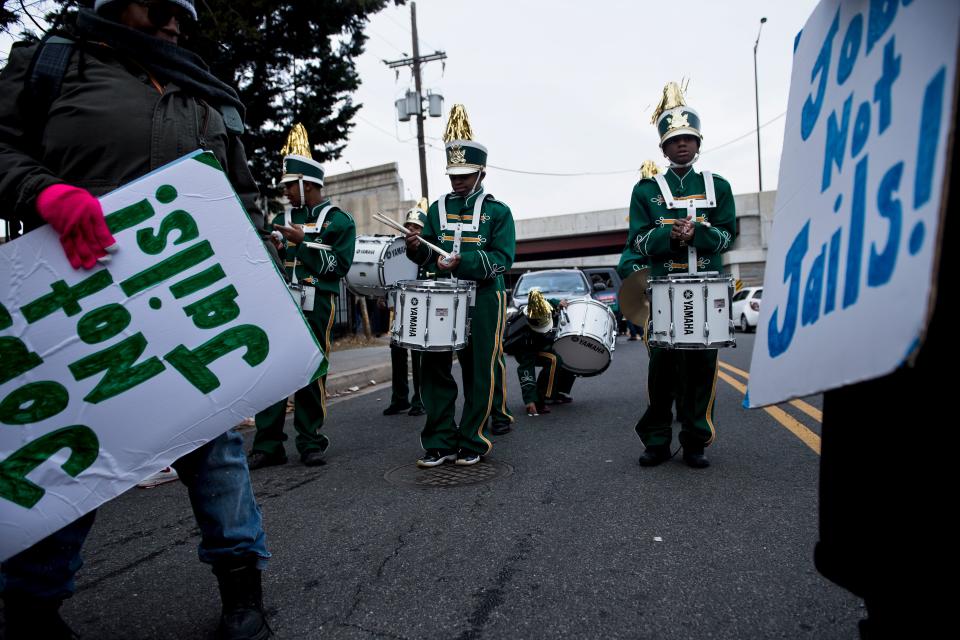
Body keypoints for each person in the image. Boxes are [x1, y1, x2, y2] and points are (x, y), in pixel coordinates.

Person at [0, 2, 272, 638]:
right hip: (79, 312)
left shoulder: (200, 87)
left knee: (217, 453)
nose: (176, 17)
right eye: (158, 4)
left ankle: (243, 589)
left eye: (185, 7)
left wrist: (256, 270)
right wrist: (44, 192)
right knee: (77, 454)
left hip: (187, 311)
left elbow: (243, 194)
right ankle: (32, 609)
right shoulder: (53, 63)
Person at [620, 82, 736, 469]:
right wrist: (669, 235)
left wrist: (698, 233)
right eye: (674, 140)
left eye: (688, 138)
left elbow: (726, 235)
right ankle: (656, 438)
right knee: (663, 368)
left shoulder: (718, 186)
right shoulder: (646, 189)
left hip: (705, 287)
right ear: (663, 148)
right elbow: (637, 240)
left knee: (702, 368)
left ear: (698, 143)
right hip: (664, 289)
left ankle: (695, 439)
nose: (682, 145)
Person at [404, 104, 516, 467]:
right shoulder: (435, 209)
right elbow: (427, 256)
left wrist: (464, 262)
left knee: (478, 369)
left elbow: (502, 258)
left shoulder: (498, 212)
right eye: (453, 173)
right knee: (434, 368)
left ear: (481, 172)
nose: (458, 180)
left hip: (484, 297)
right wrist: (417, 249)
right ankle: (439, 440)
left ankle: (472, 439)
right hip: (443, 297)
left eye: (466, 173)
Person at [248, 144, 356, 469]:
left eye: (288, 186)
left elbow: (338, 265)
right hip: (281, 304)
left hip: (316, 303)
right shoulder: (280, 218)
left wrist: (302, 243)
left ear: (306, 184)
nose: (283, 191)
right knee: (272, 372)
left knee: (311, 371)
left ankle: (310, 441)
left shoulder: (339, 221)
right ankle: (268, 445)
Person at [383, 201, 427, 417]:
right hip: (400, 306)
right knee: (397, 351)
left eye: (417, 227)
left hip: (419, 306)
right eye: (409, 226)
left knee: (418, 354)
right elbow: (391, 273)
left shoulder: (427, 251)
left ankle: (420, 399)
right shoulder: (398, 247)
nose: (411, 230)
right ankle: (399, 398)